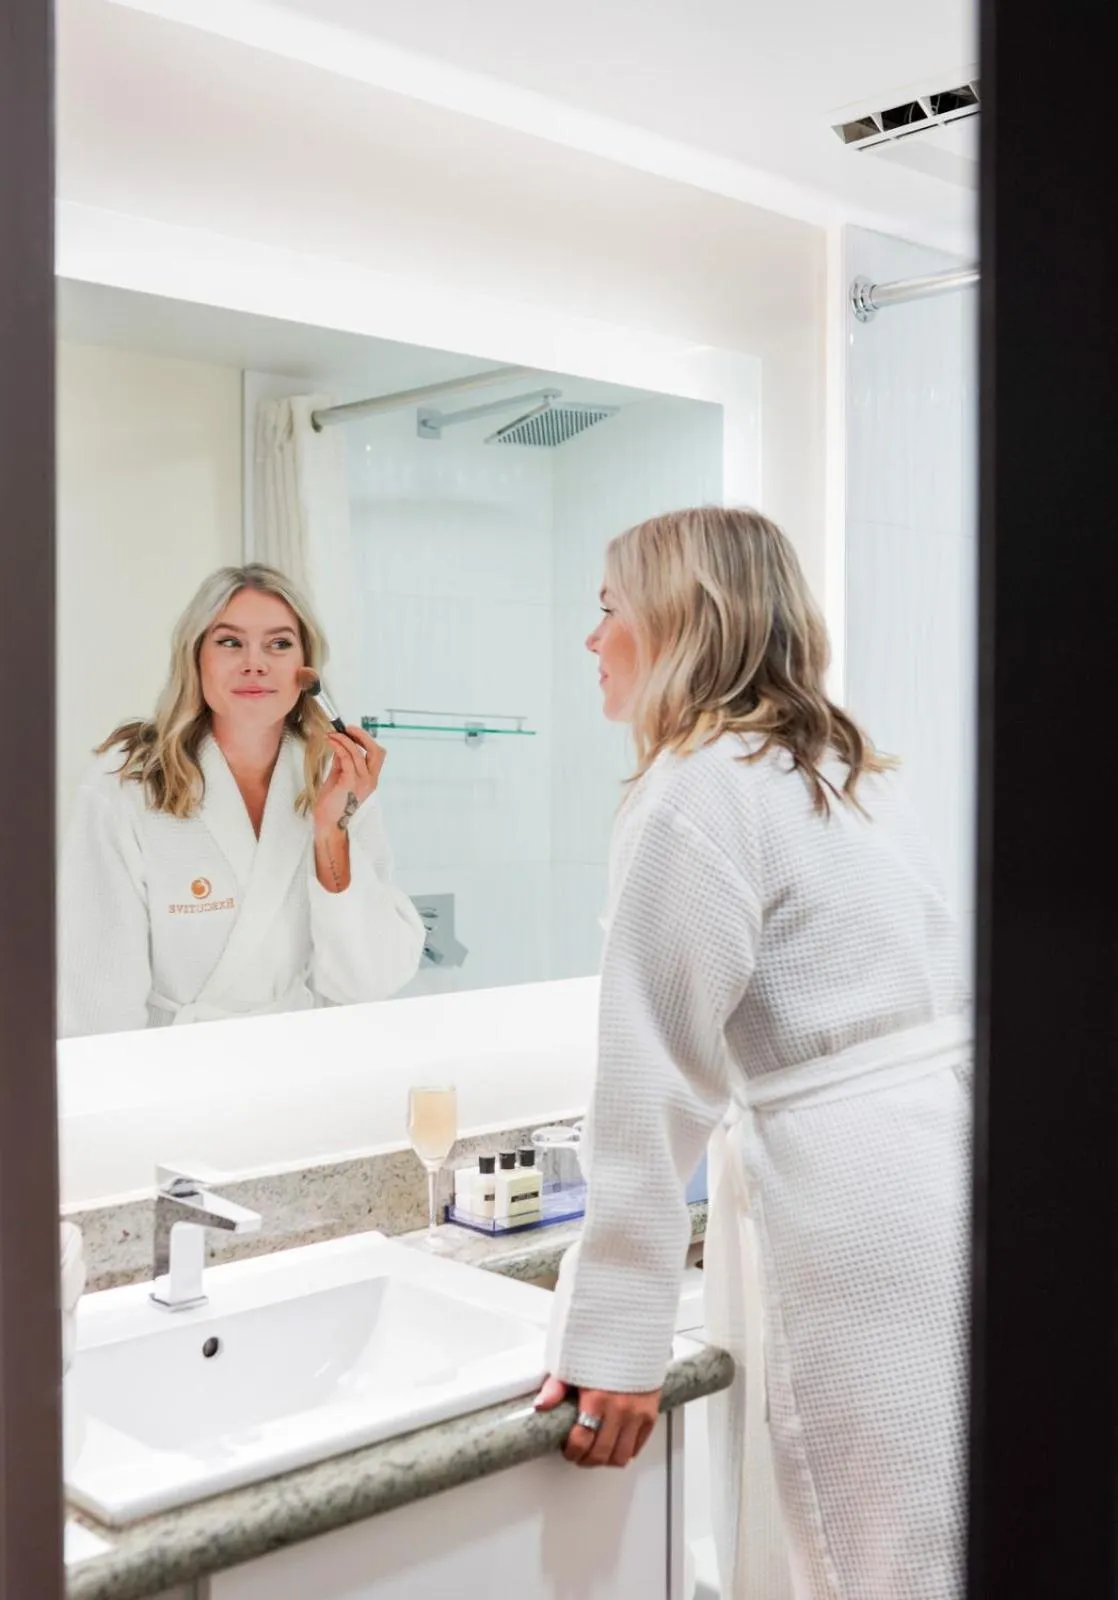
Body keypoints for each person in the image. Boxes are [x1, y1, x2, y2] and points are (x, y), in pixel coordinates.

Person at [536, 508, 970, 1600]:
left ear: (678, 621)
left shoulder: (693, 790)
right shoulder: (841, 765)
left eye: (606, 609)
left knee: (871, 1544)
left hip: (848, 1205)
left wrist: (618, 1340)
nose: (591, 640)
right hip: (949, 1170)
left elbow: (650, 1082)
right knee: (941, 1530)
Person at [59, 563, 424, 1036]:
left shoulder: (335, 778)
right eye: (230, 642)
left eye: (279, 644)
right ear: (196, 657)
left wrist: (331, 834)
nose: (256, 663)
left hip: (297, 1063)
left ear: (304, 669)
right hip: (170, 1074)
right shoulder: (127, 782)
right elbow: (94, 996)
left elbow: (370, 980)